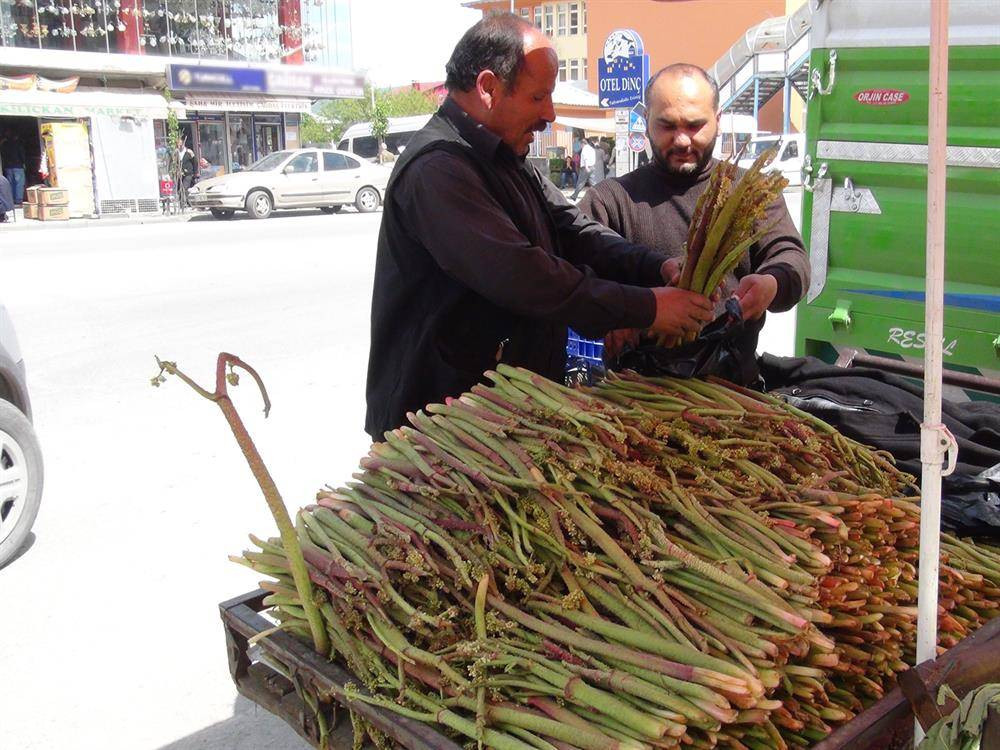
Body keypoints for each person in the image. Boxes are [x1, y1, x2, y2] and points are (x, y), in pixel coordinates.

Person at [365, 15, 715, 439]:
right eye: (538, 97)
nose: (549, 114)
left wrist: (654, 267)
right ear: (488, 87)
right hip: (439, 427)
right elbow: (525, 277)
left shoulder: (504, 156)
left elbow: (572, 228)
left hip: (501, 412)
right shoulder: (438, 170)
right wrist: (649, 308)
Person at [579, 63, 809, 385]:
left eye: (695, 125)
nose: (682, 140)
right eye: (667, 126)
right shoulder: (610, 199)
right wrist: (622, 311)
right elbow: (575, 276)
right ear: (645, 120)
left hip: (731, 387)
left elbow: (791, 257)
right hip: (634, 390)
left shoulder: (749, 193)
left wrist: (772, 283)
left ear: (718, 118)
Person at [1, 129, 27, 206]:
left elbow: (3, 155)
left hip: (8, 167)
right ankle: (18, 200)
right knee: (19, 184)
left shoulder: (5, 145)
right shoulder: (18, 144)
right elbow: (22, 154)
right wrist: (24, 163)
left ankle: (11, 199)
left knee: (10, 184)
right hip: (18, 166)